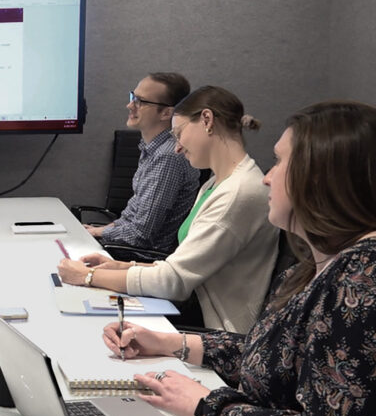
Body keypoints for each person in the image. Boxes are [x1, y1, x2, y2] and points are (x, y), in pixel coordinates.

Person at [100, 100, 376, 416]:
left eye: (280, 163)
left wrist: (209, 405)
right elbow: (274, 355)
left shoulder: (361, 284)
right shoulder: (320, 264)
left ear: (320, 177)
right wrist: (172, 343)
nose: (268, 177)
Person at [58, 86, 279, 333]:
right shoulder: (215, 183)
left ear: (207, 120)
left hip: (214, 329)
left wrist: (88, 277)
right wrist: (121, 267)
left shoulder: (239, 193)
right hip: (193, 309)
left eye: (179, 134)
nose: (176, 147)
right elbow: (182, 266)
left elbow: (174, 281)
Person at [87, 72, 201, 254]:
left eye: (141, 101)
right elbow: (133, 215)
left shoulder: (168, 157)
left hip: (140, 257)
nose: (130, 105)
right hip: (126, 246)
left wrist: (99, 232)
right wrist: (102, 229)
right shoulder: (153, 148)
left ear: (166, 113)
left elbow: (141, 234)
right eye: (133, 97)